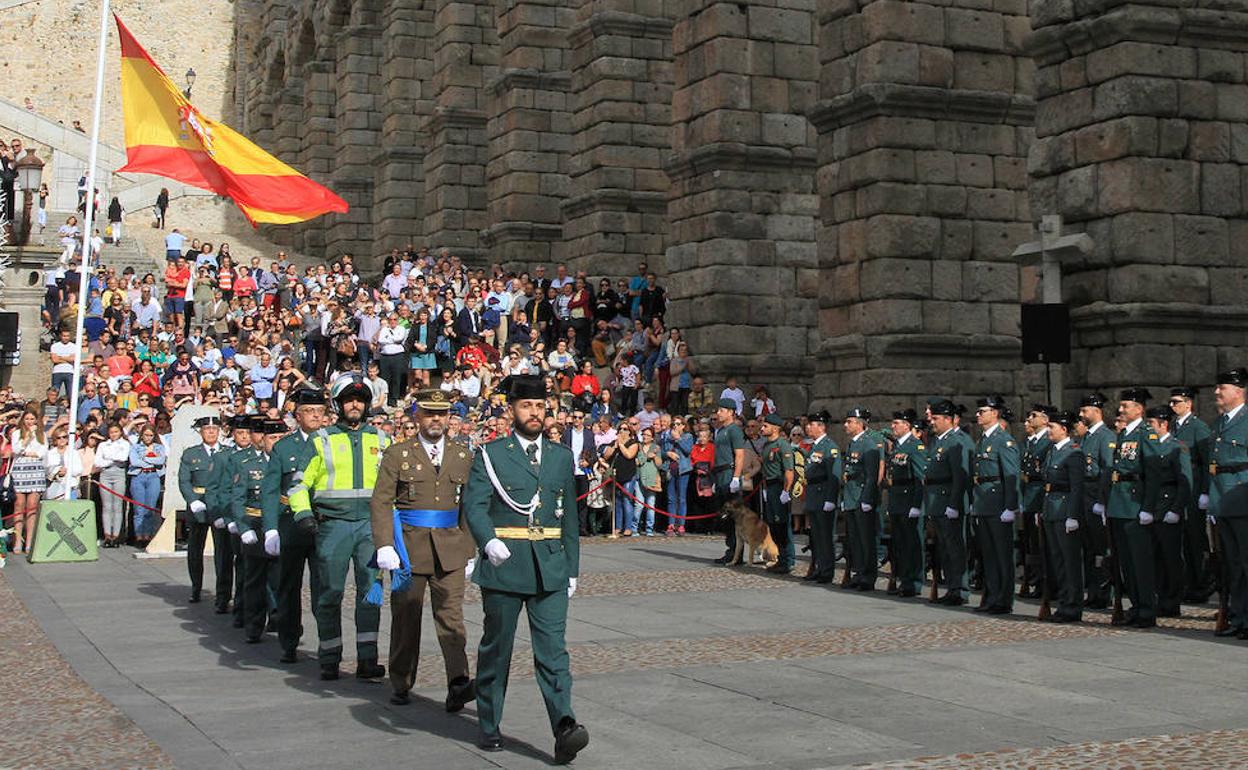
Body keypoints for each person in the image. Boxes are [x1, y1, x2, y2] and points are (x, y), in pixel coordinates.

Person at [462, 374, 588, 762]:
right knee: (497, 649)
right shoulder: (491, 454)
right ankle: (488, 721)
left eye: (539, 406)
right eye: (526, 406)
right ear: (511, 410)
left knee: (553, 652)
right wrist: (488, 540)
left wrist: (571, 568)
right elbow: (475, 504)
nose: (534, 413)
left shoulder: (560, 456)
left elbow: (569, 519)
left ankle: (564, 724)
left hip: (549, 565)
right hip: (506, 563)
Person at [370, 389, 477, 709]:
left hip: (450, 547)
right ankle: (401, 681)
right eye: (430, 414)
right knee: (406, 617)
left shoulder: (462, 455)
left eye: (442, 414)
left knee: (452, 619)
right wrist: (385, 545)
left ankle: (458, 683)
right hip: (409, 547)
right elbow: (381, 501)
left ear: (449, 418)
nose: (436, 420)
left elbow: (470, 506)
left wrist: (470, 549)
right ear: (417, 416)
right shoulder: (398, 454)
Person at [289, 373, 390, 681]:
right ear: (338, 403)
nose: (355, 405)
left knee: (370, 594)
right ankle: (330, 656)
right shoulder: (322, 439)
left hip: (370, 528)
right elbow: (297, 483)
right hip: (333, 526)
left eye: (360, 399)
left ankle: (367, 659)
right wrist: (303, 514)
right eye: (349, 400)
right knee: (330, 593)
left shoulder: (383, 439)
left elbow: (395, 485)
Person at [262, 388, 328, 662]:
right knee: (289, 586)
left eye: (320, 412)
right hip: (291, 524)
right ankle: (289, 640)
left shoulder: (330, 442)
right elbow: (270, 489)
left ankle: (327, 642)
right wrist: (271, 527)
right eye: (310, 411)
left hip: (324, 522)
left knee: (325, 586)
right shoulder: (284, 447)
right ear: (297, 416)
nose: (315, 416)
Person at [230, 418, 285, 643]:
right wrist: (243, 527)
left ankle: (279, 619)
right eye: (273, 438)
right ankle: (253, 624)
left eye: (281, 438)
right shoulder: (249, 465)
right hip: (255, 524)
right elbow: (237, 499)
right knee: (254, 580)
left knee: (280, 579)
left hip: (282, 525)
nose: (277, 442)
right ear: (263, 439)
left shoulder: (289, 464)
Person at [970, 396, 1020, 615]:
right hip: (984, 502)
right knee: (988, 554)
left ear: (995, 413)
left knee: (1002, 555)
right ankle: (991, 595)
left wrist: (1010, 506)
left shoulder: (1004, 440)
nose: (978, 415)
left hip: (998, 504)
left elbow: (1011, 475)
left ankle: (1003, 598)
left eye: (982, 411)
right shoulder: (982, 440)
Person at [1208, 367, 1248, 639]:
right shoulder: (1219, 423)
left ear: (1239, 391)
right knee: (1232, 564)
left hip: (1242, 498)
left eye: (1222, 388)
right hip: (1223, 499)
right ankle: (1239, 617)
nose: (1217, 392)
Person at [1141, 404, 1191, 618]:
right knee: (1155, 557)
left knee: (1171, 558)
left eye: (1151, 424)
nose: (1148, 427)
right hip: (1152, 507)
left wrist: (1177, 509)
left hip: (1169, 505)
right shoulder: (1149, 446)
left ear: (1163, 424)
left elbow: (1185, 481)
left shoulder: (1177, 447)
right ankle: (1159, 597)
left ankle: (1172, 601)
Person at [1040, 409, 1085, 623]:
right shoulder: (1052, 451)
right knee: (1058, 560)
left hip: (1065, 511)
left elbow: (1076, 487)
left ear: (1064, 429)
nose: (1048, 430)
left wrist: (1073, 515)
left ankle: (1073, 605)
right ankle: (1064, 601)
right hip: (1051, 510)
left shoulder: (1073, 452)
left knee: (1070, 561)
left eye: (1052, 427)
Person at [1169, 386, 1214, 602]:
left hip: (1194, 488)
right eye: (1171, 402)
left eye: (1176, 402)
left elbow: (1207, 463)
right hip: (1178, 489)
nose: (1172, 405)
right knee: (1182, 541)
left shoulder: (1198, 427)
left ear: (1188, 404)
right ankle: (1187, 583)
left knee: (1195, 539)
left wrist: (1205, 491)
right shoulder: (1173, 427)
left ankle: (1201, 584)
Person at [925, 399, 969, 605]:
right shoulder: (938, 441)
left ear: (948, 420)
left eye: (935, 418)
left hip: (949, 501)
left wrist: (954, 503)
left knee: (955, 546)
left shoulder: (957, 440)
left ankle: (960, 589)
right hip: (937, 501)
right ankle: (952, 587)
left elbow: (960, 477)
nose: (931, 422)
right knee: (944, 547)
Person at [179, 416, 227, 604]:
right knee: (195, 550)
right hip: (199, 504)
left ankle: (222, 595)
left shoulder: (226, 452)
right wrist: (192, 500)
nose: (211, 432)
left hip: (218, 505)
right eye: (207, 429)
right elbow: (184, 480)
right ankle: (195, 587)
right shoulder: (191, 454)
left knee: (222, 552)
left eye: (215, 429)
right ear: (201, 432)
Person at [1077, 391, 1115, 609]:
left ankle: (1103, 591)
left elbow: (1107, 471)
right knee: (1089, 548)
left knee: (1101, 547)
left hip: (1095, 496)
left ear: (1097, 411)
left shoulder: (1105, 437)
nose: (1081, 414)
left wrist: (1102, 500)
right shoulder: (1088, 436)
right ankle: (1092, 590)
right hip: (1084, 494)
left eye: (1085, 410)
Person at [884, 409, 926, 596]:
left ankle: (913, 582)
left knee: (912, 544)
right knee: (899, 543)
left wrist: (917, 505)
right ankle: (903, 579)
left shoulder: (914, 446)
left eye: (896, 423)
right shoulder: (898, 446)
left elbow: (920, 478)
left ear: (907, 426)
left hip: (909, 500)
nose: (893, 426)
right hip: (897, 499)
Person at [840, 408, 881, 590]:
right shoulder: (853, 444)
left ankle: (868, 576)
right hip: (851, 496)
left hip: (861, 496)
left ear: (859, 423)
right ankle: (859, 572)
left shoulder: (869, 444)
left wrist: (867, 498)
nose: (845, 425)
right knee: (855, 539)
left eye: (849, 422)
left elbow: (872, 475)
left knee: (866, 539)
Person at [1018, 404, 1052, 599]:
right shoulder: (1032, 442)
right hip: (1030, 494)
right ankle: (1036, 581)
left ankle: (1045, 584)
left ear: (1045, 420)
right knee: (1032, 543)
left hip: (1040, 494)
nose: (1029, 419)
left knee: (1043, 544)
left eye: (1034, 415)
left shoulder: (1047, 441)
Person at [757, 414, 795, 573]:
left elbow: (789, 471)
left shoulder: (782, 445)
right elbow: (765, 469)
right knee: (773, 524)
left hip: (780, 486)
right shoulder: (766, 445)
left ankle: (788, 560)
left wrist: (786, 491)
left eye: (765, 426)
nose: (762, 428)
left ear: (775, 428)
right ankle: (780, 557)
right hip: (770, 487)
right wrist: (765, 489)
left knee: (782, 524)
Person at [711, 398, 746, 564]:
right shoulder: (721, 430)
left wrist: (736, 477)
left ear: (731, 412)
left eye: (722, 410)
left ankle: (736, 552)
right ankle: (731, 549)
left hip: (729, 472)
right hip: (720, 474)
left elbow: (739, 455)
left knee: (733, 516)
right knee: (724, 516)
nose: (718, 413)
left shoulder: (734, 430)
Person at [9, 410, 47, 552]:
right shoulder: (16, 433)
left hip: (35, 470)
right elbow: (17, 449)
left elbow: (43, 451)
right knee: (19, 505)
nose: (30, 422)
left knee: (32, 506)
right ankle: (18, 540)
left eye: (32, 419)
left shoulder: (41, 434)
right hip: (20, 470)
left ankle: (29, 541)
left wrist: (32, 452)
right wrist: (28, 437)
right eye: (27, 419)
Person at [128, 424, 166, 547]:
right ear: (141, 435)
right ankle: (139, 536)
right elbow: (134, 461)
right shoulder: (135, 447)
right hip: (138, 476)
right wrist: (148, 458)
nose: (148, 438)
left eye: (151, 435)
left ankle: (148, 536)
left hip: (153, 476)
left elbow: (161, 461)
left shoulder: (159, 447)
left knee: (150, 508)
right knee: (139, 509)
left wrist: (145, 459)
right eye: (146, 435)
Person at [95, 421, 131, 548]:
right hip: (105, 474)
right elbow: (98, 462)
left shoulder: (125, 444)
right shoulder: (103, 445)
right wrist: (111, 459)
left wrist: (108, 458)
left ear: (120, 432)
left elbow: (123, 457)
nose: (114, 434)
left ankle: (115, 536)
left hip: (119, 474)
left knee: (117, 505)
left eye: (116, 431)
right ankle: (107, 535)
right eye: (111, 432)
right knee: (107, 506)